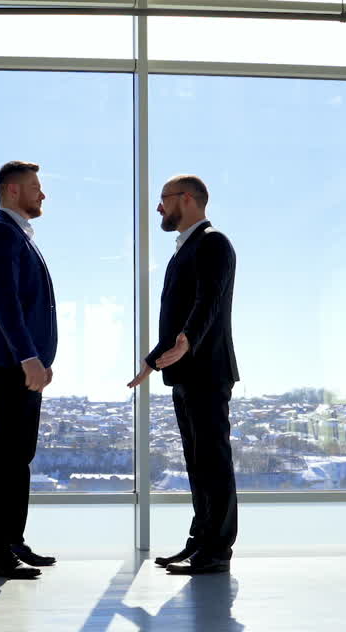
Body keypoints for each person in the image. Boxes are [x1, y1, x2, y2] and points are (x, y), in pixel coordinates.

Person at [128, 175, 239, 575]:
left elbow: (207, 304)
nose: (159, 207)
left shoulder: (214, 243)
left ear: (187, 199)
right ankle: (201, 541)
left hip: (208, 370)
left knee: (213, 460)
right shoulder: (183, 251)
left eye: (164, 199)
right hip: (186, 371)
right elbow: (176, 317)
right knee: (197, 460)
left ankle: (217, 550)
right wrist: (154, 359)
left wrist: (186, 342)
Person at [0, 160, 59, 579]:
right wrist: (28, 358)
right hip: (10, 364)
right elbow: (5, 305)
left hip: (22, 364)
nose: (42, 194)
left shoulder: (18, 236)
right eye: (35, 187)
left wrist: (39, 360)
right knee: (4, 459)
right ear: (11, 191)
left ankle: (12, 541)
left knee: (18, 458)